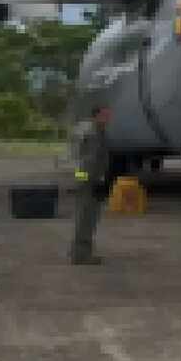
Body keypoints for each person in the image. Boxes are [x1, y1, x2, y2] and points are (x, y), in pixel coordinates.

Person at [70, 105, 112, 264]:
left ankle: (77, 250)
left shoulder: (94, 130)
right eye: (105, 115)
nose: (109, 118)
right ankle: (81, 254)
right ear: (96, 116)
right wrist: (96, 180)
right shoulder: (94, 134)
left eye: (109, 115)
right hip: (89, 180)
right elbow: (89, 161)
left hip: (85, 179)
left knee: (85, 216)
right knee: (86, 218)